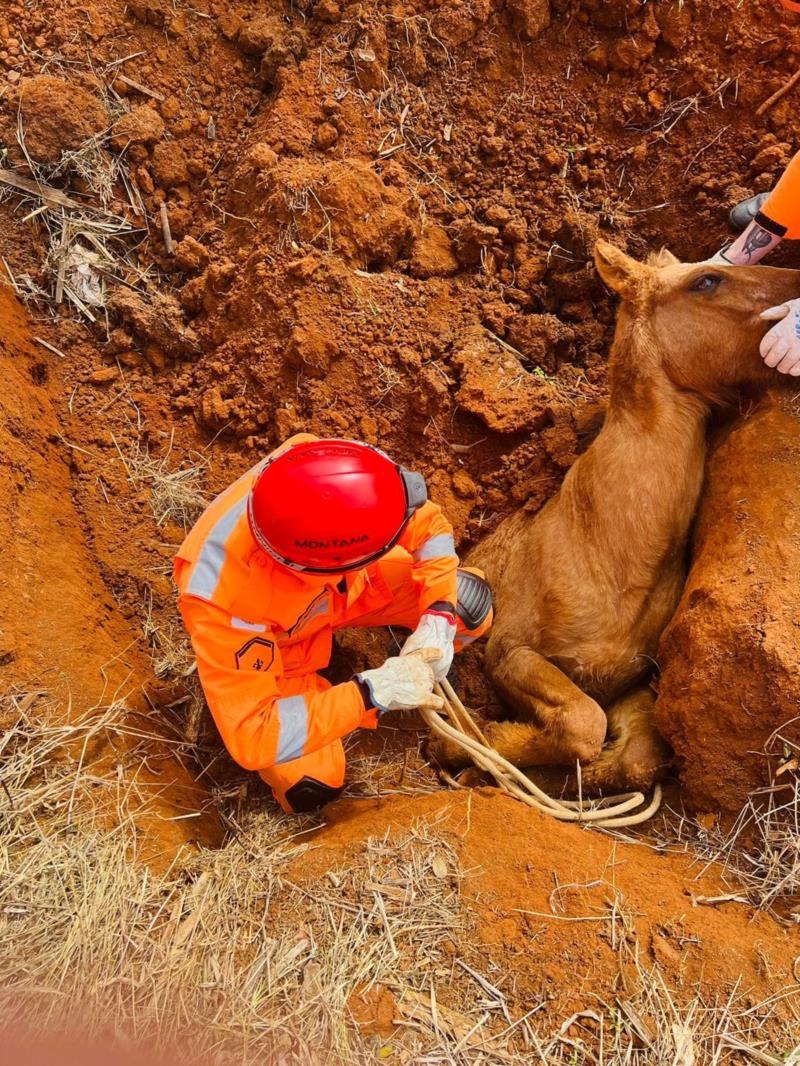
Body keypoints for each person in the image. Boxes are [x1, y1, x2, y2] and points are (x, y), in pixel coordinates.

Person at [174, 435, 493, 813]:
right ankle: (333, 688)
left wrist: (437, 618)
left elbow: (428, 525)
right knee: (311, 785)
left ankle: (416, 653)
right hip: (283, 648)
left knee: (469, 609)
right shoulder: (221, 599)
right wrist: (371, 693)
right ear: (330, 560)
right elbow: (255, 736)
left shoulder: (329, 468)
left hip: (348, 585)